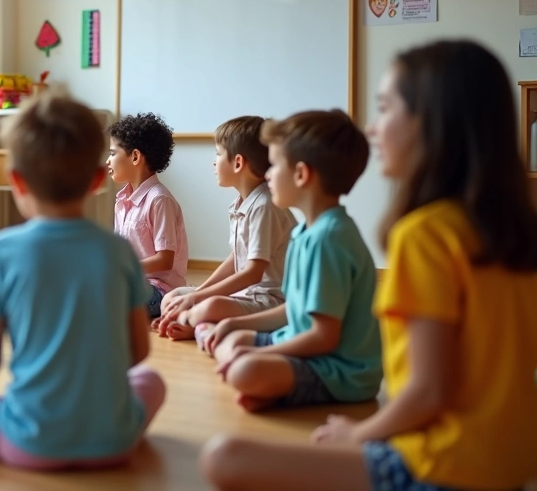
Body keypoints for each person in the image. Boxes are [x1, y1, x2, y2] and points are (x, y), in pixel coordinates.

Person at [200, 40, 537, 490]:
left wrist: (357, 435)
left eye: (384, 108)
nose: (373, 128)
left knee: (223, 458)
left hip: (445, 466)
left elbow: (429, 392)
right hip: (514, 462)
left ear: (433, 125)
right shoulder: (516, 234)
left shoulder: (425, 235)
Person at [0, 93, 165, 470]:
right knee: (151, 381)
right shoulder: (119, 252)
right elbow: (138, 353)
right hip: (115, 440)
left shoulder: (0, 251)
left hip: (30, 442)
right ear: (98, 180)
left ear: (16, 181)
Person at [201, 110, 381, 412]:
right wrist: (234, 324)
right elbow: (293, 310)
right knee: (233, 340)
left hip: (339, 371)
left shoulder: (330, 239)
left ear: (301, 174)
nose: (267, 174)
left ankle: (273, 386)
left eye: (275, 166)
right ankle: (272, 387)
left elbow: (323, 337)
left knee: (244, 369)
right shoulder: (304, 231)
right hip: (305, 346)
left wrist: (258, 356)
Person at [157, 116, 296, 340]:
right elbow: (235, 260)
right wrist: (198, 292)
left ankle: (199, 325)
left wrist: (197, 300)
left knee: (210, 306)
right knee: (171, 298)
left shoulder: (265, 206)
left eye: (218, 154)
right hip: (246, 295)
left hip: (269, 301)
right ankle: (196, 322)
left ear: (238, 163)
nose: (214, 162)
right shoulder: (241, 204)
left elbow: (252, 273)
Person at [106, 112, 189, 318]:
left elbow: (164, 260)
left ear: (135, 157)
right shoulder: (121, 199)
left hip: (160, 290)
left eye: (112, 153)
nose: (107, 161)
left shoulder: (159, 199)